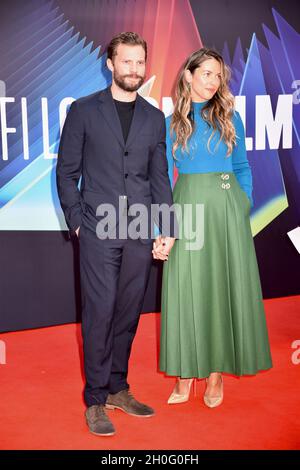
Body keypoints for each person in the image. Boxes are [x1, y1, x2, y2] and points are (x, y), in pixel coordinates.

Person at [56, 32, 175, 436]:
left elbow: (159, 178)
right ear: (110, 63)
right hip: (96, 229)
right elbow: (67, 173)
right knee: (100, 312)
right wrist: (76, 221)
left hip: (140, 230)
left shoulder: (154, 117)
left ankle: (118, 387)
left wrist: (168, 229)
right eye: (126, 62)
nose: (134, 70)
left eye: (140, 62)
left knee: (127, 313)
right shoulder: (84, 110)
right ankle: (95, 399)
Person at [155, 47, 273, 408]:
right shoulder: (169, 122)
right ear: (188, 75)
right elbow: (161, 177)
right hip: (186, 205)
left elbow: (243, 166)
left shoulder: (230, 117)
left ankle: (217, 372)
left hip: (226, 211)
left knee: (221, 288)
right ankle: (185, 372)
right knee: (185, 288)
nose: (213, 81)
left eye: (218, 75)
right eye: (206, 73)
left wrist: (242, 202)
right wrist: (164, 225)